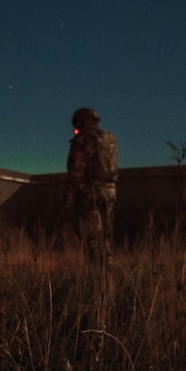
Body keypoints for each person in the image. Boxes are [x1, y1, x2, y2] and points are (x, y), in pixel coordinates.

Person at [65, 107, 118, 262]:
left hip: (91, 194)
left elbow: (76, 172)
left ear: (82, 122)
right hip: (110, 192)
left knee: (92, 237)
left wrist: (69, 201)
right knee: (106, 235)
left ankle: (97, 277)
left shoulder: (82, 140)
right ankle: (108, 272)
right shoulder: (109, 138)